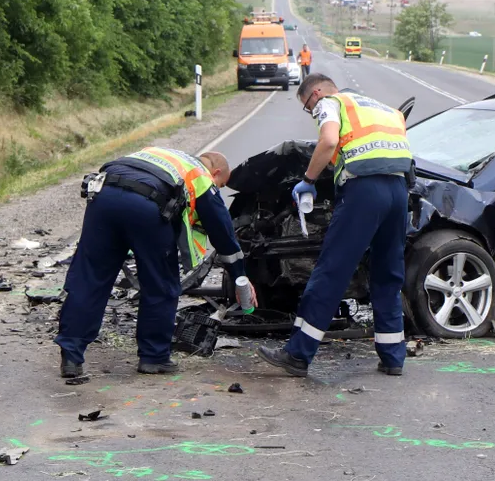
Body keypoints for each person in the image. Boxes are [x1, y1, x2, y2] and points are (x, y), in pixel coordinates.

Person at [257, 74, 412, 378]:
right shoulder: (383, 109)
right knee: (387, 274)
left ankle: (298, 354)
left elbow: (328, 140)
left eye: (307, 107)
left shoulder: (331, 102)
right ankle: (393, 357)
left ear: (315, 94)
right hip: (398, 191)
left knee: (332, 270)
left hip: (364, 191)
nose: (311, 113)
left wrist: (308, 180)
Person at [54, 148, 256, 377]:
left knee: (90, 277)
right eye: (220, 185)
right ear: (216, 172)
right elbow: (223, 234)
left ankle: (71, 356)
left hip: (103, 195)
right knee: (160, 283)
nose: (217, 190)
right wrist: (240, 276)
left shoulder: (158, 153)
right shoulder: (200, 175)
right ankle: (154, 357)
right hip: (147, 206)